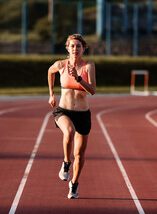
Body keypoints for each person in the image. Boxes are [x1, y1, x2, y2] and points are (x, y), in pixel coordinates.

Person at [47, 34, 96, 199]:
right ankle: (66, 164)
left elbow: (92, 91)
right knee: (68, 132)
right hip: (64, 111)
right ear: (68, 48)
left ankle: (74, 184)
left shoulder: (88, 66)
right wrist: (52, 94)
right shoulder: (61, 64)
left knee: (80, 155)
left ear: (83, 49)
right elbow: (50, 71)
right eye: (72, 46)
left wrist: (79, 79)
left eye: (79, 46)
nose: (75, 49)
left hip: (83, 114)